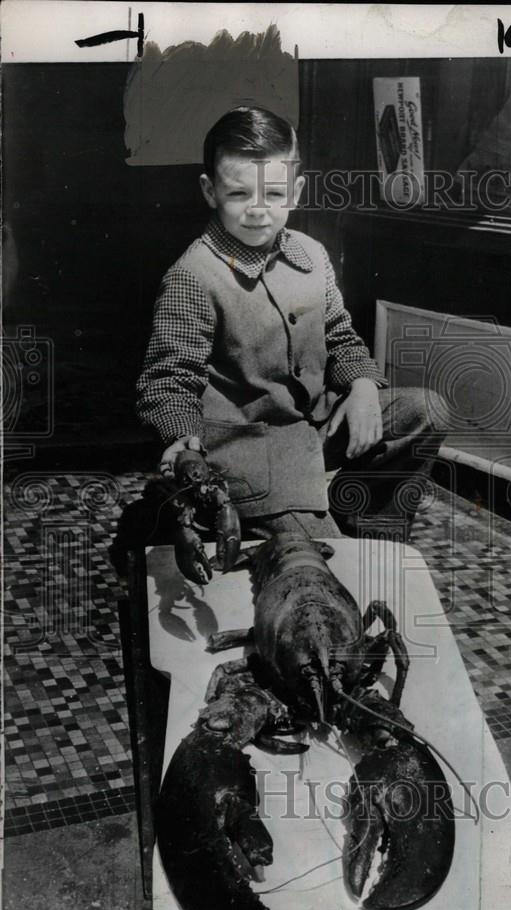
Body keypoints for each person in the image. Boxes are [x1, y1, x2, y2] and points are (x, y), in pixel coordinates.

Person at [115, 106, 444, 566]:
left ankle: (366, 530)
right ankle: (301, 528)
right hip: (249, 458)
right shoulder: (193, 276)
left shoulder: (311, 253)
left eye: (273, 192)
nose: (257, 209)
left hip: (313, 427)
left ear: (297, 190)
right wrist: (182, 442)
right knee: (327, 569)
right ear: (210, 192)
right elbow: (166, 382)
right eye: (238, 193)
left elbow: (341, 337)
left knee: (424, 411)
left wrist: (364, 387)